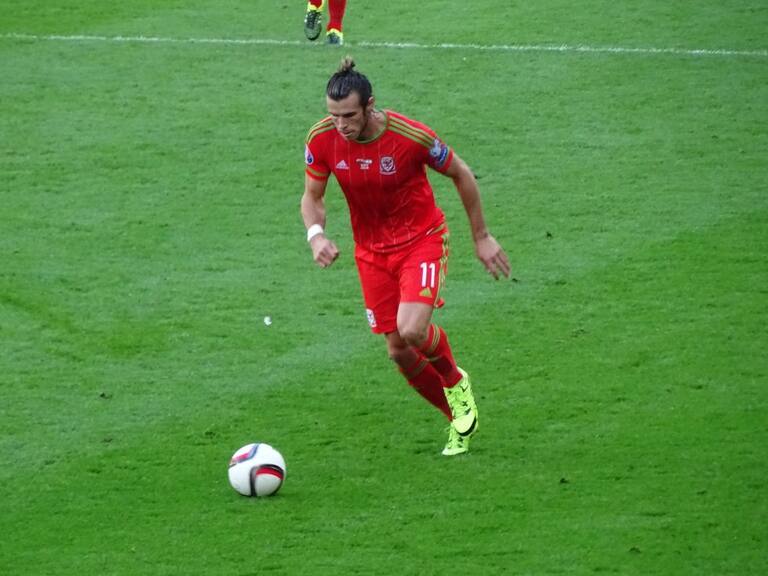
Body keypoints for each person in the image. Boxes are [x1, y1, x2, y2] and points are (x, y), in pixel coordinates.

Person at [301, 58, 510, 456]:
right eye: (334, 115)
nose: (341, 124)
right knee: (398, 349)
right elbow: (312, 197)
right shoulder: (321, 138)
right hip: (371, 252)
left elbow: (461, 173)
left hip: (421, 240)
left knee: (412, 330)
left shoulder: (409, 136)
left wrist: (481, 237)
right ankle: (457, 418)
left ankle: (456, 382)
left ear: (369, 106)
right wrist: (316, 236)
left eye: (349, 116)